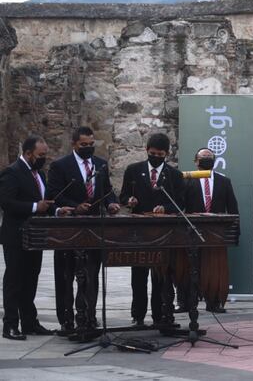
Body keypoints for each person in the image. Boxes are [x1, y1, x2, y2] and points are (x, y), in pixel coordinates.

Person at [46, 126, 120, 335]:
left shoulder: (100, 165)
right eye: (83, 145)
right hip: (69, 229)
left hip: (95, 228)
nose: (88, 148)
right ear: (74, 145)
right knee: (66, 275)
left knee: (91, 273)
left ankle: (89, 315)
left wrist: (112, 204)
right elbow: (54, 195)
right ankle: (67, 319)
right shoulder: (61, 166)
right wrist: (74, 207)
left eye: (91, 145)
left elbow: (107, 191)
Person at [0, 136, 65, 340]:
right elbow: (7, 203)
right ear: (28, 153)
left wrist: (58, 210)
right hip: (16, 235)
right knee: (14, 279)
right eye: (41, 155)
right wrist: (35, 207)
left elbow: (46, 202)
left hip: (35, 236)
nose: (43, 159)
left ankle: (29, 322)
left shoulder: (40, 175)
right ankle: (10, 324)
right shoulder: (12, 173)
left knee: (31, 280)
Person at [119, 132, 185, 326]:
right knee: (138, 276)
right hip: (138, 232)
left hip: (163, 233)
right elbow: (123, 196)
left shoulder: (175, 175)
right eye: (153, 153)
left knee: (161, 277)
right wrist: (128, 201)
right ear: (147, 150)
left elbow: (180, 203)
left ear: (166, 153)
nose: (156, 157)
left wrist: (166, 208)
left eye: (160, 154)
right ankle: (137, 315)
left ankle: (160, 315)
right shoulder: (133, 170)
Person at [182, 148, 239, 313]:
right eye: (203, 157)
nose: (207, 159)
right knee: (188, 267)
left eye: (209, 157)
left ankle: (213, 302)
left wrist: (235, 231)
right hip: (191, 232)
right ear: (196, 161)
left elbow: (233, 208)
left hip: (216, 233)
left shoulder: (224, 181)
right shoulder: (186, 181)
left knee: (214, 268)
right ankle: (186, 302)